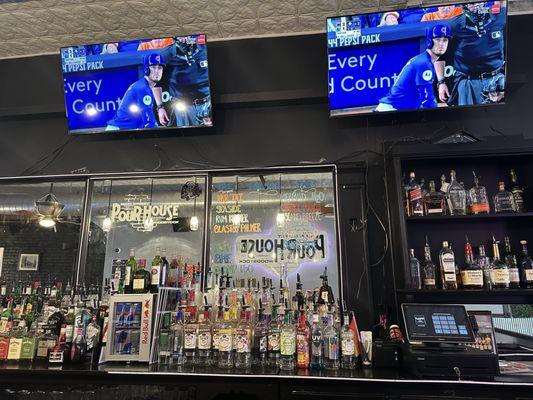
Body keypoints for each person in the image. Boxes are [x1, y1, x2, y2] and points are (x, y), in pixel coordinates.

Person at [437, 2, 506, 105]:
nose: (477, 5)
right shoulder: (454, 26)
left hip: (497, 78)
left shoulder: (501, 16)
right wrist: (441, 83)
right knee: (470, 118)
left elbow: (512, 48)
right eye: (472, 3)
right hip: (469, 82)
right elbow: (440, 56)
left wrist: (506, 83)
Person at [375, 24, 451, 112]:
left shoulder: (425, 60)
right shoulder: (424, 63)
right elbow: (427, 100)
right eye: (437, 39)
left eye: (445, 40)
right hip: (392, 110)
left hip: (399, 109)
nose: (441, 44)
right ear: (430, 41)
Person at [155, 36, 212, 127]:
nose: (185, 39)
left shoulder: (205, 49)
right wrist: (160, 107)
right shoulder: (165, 55)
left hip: (208, 103)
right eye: (181, 36)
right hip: (184, 107)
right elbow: (156, 84)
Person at [106, 53, 165, 131]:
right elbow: (149, 121)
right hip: (118, 132)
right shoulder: (142, 88)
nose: (157, 71)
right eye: (153, 67)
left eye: (160, 68)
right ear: (146, 69)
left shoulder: (146, 86)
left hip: (126, 131)